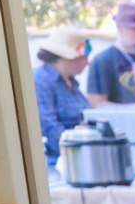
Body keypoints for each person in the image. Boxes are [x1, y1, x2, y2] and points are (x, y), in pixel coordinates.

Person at [32, 27, 91, 170]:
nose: (87, 62)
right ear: (67, 56)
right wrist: (81, 153)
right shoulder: (40, 81)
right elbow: (49, 126)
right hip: (58, 164)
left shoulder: (71, 84)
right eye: (84, 57)